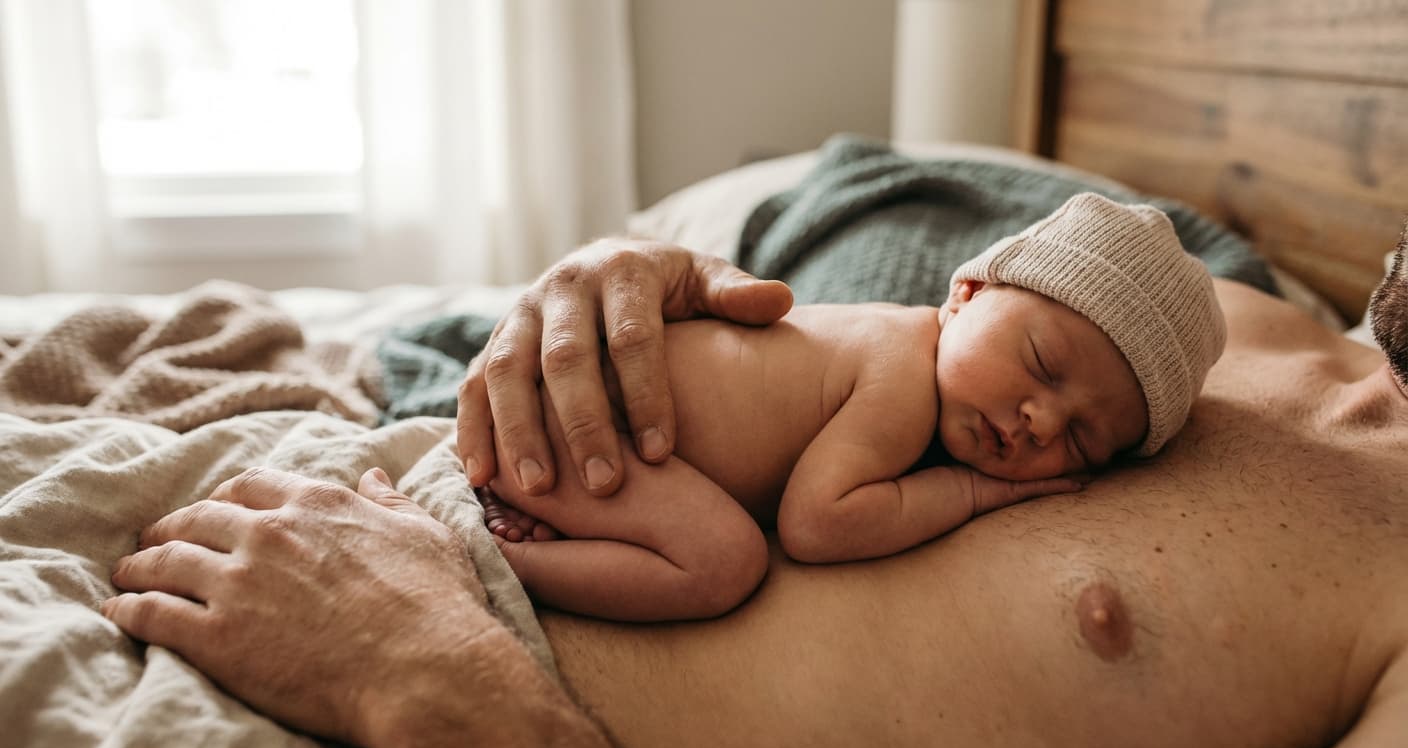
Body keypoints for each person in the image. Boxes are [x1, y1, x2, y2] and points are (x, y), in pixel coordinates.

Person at [106, 222, 1408, 748]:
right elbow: (844, 344)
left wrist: (443, 688)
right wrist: (624, 289)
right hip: (340, 516)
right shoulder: (1204, 316)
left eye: (1082, 442)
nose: (1041, 428)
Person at [478, 193, 1225, 621]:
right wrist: (969, 491)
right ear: (965, 295)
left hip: (607, 438)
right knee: (725, 563)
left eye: (1086, 441)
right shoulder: (900, 375)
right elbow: (815, 523)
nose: (1043, 422)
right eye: (1043, 364)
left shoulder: (908, 360)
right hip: (589, 429)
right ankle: (507, 560)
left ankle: (552, 525)